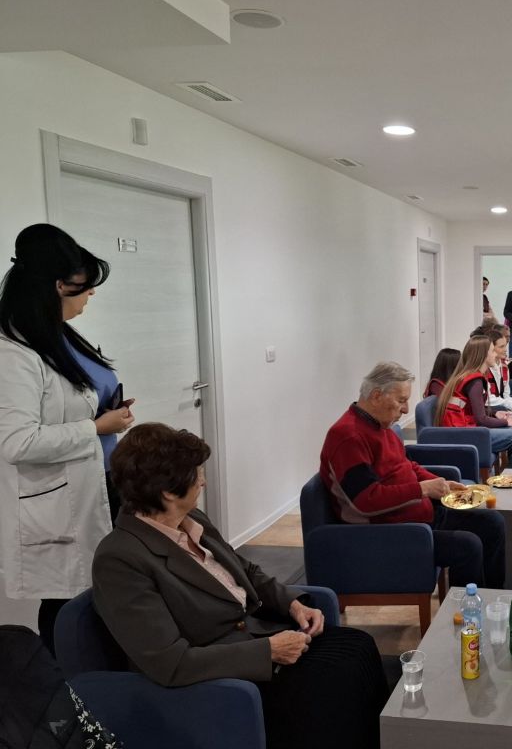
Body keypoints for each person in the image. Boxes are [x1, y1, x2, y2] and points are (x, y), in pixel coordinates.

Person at [92, 423, 388, 749]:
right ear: (168, 492)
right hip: (218, 677)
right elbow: (170, 662)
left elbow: (246, 571)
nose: (203, 481)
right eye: (196, 475)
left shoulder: (194, 520)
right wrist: (268, 651)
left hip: (255, 635)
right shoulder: (120, 559)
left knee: (358, 648)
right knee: (331, 688)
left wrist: (292, 603)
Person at [0, 223, 135, 655]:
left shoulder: (57, 333)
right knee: (69, 604)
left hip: (103, 481)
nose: (91, 293)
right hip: (61, 499)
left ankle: (106, 681)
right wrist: (96, 427)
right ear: (59, 285)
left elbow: (75, 398)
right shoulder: (14, 352)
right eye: (85, 285)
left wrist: (106, 412)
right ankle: (66, 687)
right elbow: (17, 442)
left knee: (106, 593)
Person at [324, 362, 506, 588]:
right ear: (376, 396)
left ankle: (493, 599)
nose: (406, 409)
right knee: (468, 546)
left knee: (493, 523)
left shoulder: (379, 426)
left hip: (415, 515)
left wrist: (438, 482)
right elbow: (366, 501)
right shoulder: (348, 436)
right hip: (388, 534)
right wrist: (423, 489)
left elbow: (406, 466)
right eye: (401, 400)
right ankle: (468, 609)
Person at [435, 337, 512, 469]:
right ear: (483, 355)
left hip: (463, 431)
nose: (495, 354)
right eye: (492, 351)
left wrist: (495, 413)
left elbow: (471, 410)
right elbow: (481, 419)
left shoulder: (469, 376)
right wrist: (505, 422)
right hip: (463, 435)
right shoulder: (475, 381)